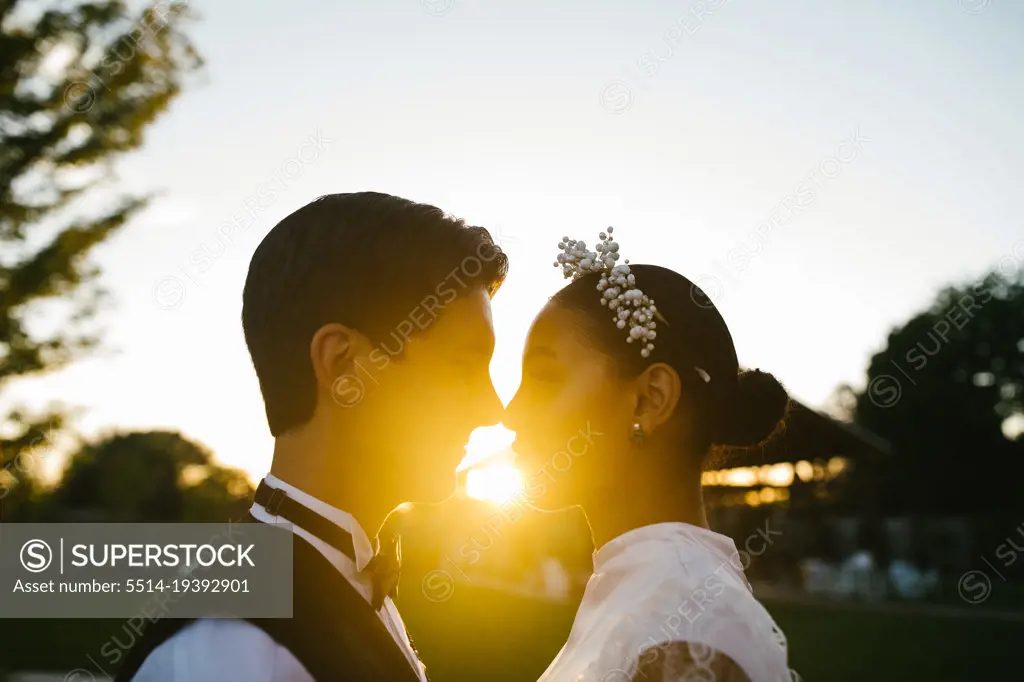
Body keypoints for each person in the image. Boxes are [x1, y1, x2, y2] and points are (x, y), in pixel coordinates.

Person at [115, 192, 508, 681]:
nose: (494, 409)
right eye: (463, 366)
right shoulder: (241, 655)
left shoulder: (339, 580)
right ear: (342, 365)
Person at [504, 229, 793, 682]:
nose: (510, 411)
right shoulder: (646, 587)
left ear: (649, 399)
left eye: (543, 378)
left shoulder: (687, 618)